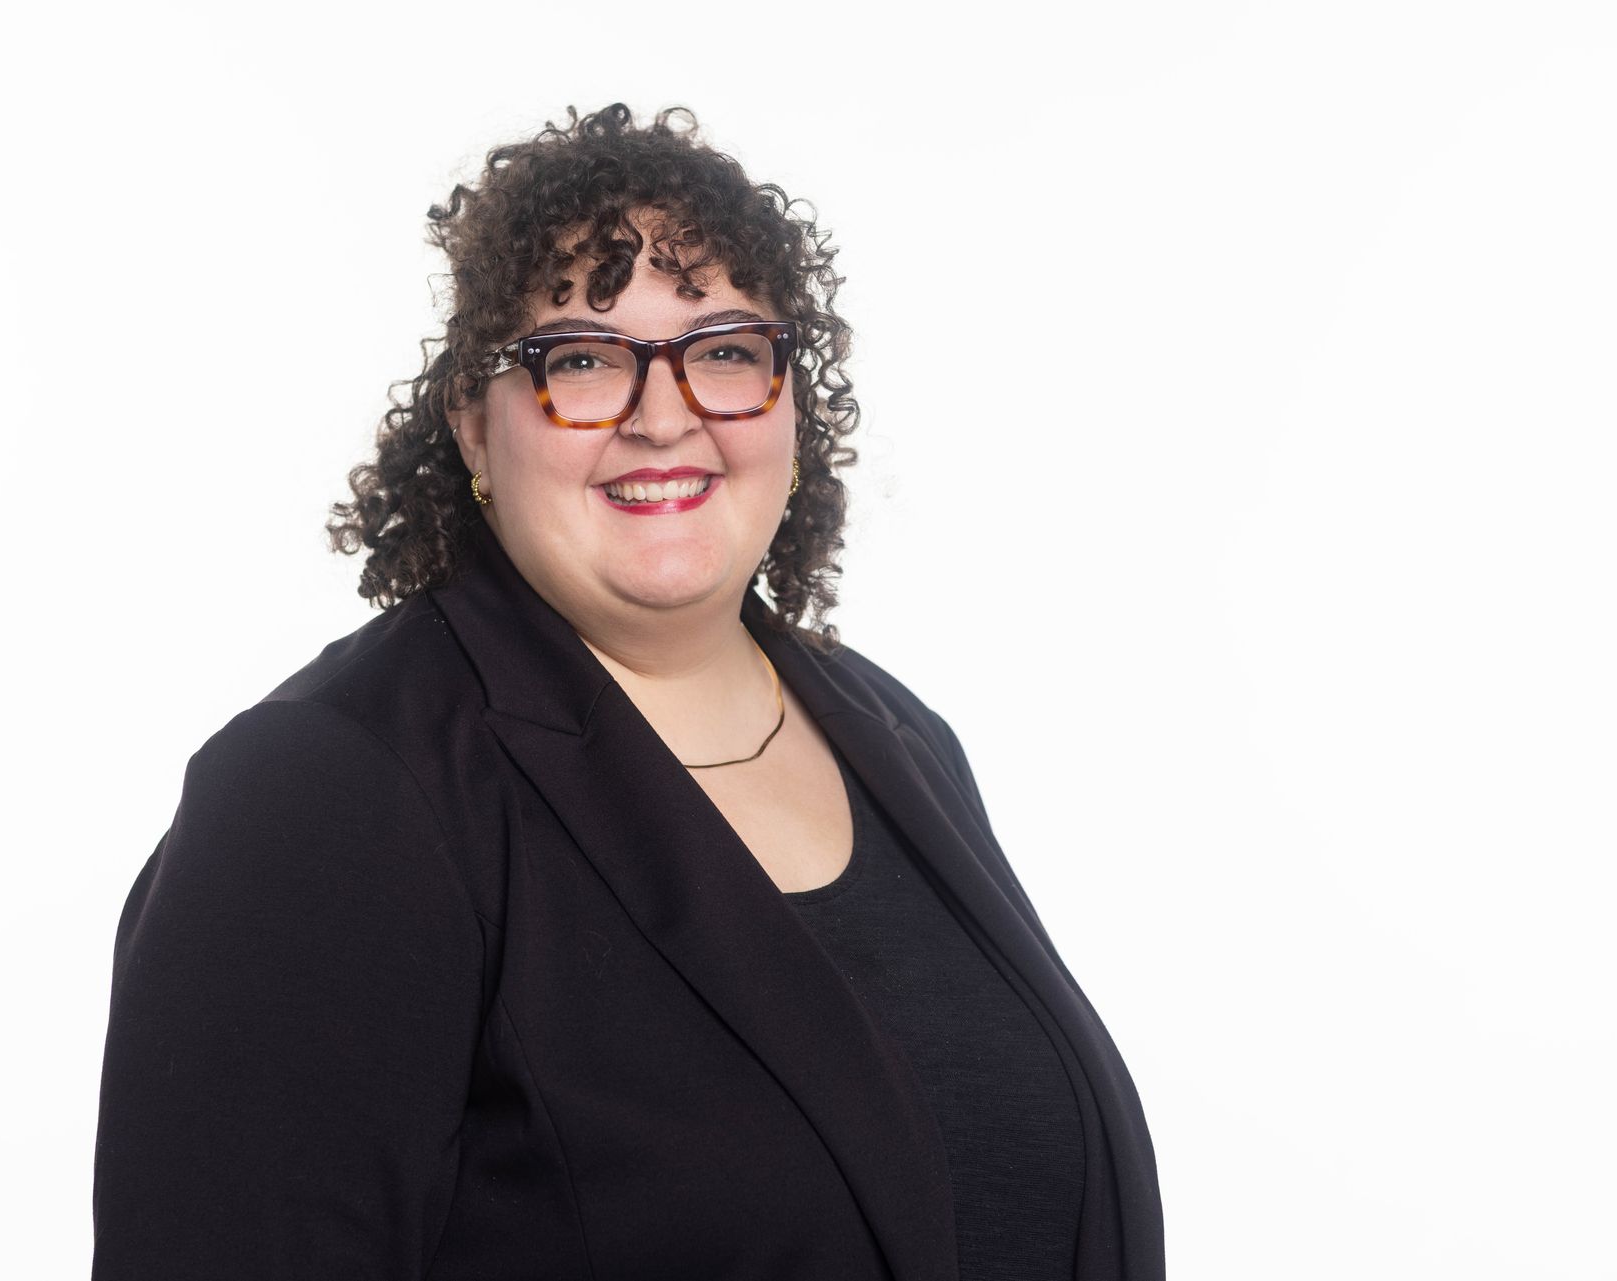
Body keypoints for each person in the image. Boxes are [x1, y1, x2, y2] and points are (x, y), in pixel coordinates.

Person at [91, 103, 1163, 1281]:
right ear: (471, 421)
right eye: (585, 361)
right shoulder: (333, 792)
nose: (665, 418)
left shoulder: (898, 737)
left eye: (722, 351)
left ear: (790, 404)